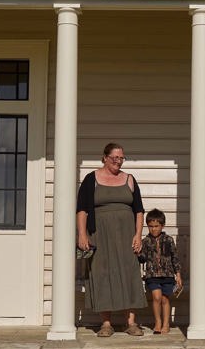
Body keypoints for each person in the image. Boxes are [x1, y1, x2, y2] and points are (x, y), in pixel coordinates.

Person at [76, 142, 146, 337]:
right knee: (101, 274)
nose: (118, 161)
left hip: (126, 235)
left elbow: (139, 211)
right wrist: (82, 234)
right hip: (100, 234)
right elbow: (82, 209)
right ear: (105, 157)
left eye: (121, 157)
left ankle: (131, 322)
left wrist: (138, 235)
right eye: (114, 157)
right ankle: (106, 323)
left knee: (129, 273)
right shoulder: (91, 179)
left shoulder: (130, 179)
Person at [138, 208, 183, 335]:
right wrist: (137, 253)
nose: (153, 229)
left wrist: (178, 275)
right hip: (152, 274)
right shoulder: (146, 241)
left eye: (156, 226)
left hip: (167, 274)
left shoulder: (168, 240)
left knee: (165, 299)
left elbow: (175, 257)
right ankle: (157, 322)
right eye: (150, 226)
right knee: (156, 297)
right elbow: (143, 259)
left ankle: (166, 323)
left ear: (162, 226)